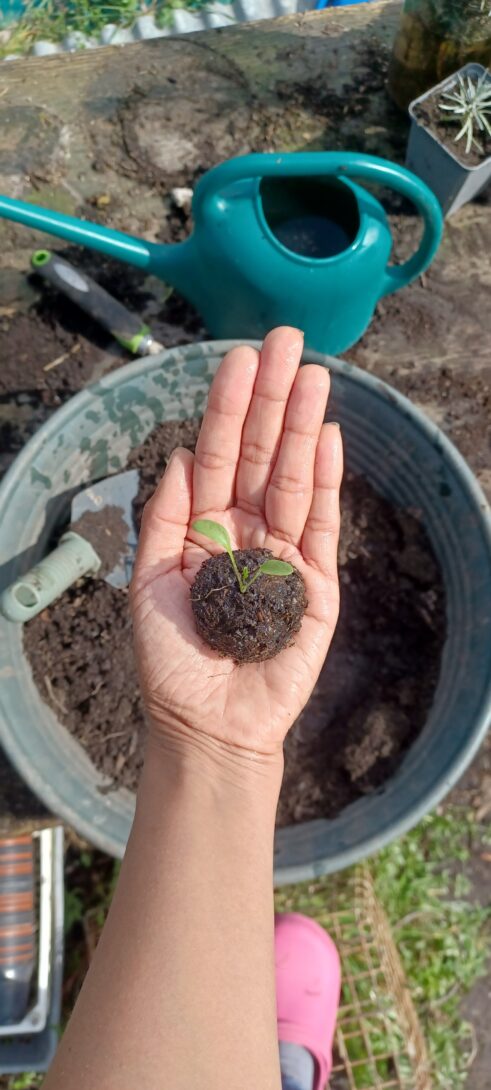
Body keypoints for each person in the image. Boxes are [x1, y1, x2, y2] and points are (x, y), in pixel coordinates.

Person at [43, 326, 343, 1090]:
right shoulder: (234, 585)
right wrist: (216, 746)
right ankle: (286, 1067)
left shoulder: (256, 590)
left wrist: (217, 747)